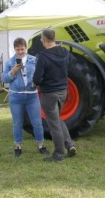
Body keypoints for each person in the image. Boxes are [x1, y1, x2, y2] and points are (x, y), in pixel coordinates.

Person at [33, 28, 76, 162]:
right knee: (57, 118)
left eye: (41, 39)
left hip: (49, 93)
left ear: (44, 40)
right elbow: (71, 65)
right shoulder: (64, 52)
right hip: (63, 91)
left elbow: (37, 79)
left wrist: (35, 84)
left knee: (53, 124)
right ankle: (70, 145)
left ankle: (58, 154)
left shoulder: (43, 56)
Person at [2, 37, 49, 157]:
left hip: (32, 95)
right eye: (18, 50)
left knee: (37, 122)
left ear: (26, 48)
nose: (20, 52)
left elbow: (41, 74)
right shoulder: (10, 62)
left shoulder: (34, 60)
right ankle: (18, 147)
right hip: (16, 96)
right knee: (17, 123)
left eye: (22, 49)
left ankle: (41, 145)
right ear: (14, 49)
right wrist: (13, 71)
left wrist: (37, 83)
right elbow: (4, 79)